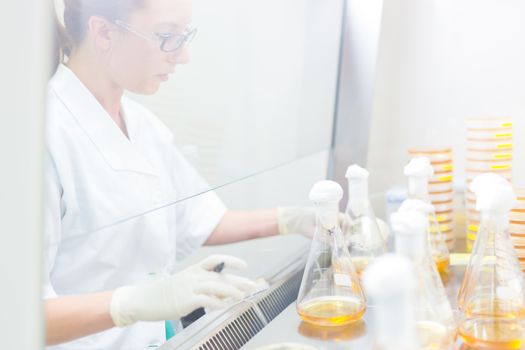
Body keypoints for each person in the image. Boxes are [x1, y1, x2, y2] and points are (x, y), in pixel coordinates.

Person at [45, 0, 320, 349]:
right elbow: (16, 315)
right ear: (103, 32)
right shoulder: (41, 137)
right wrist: (129, 304)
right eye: (167, 36)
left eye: (184, 35)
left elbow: (200, 219)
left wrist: (291, 220)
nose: (183, 54)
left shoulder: (144, 126)